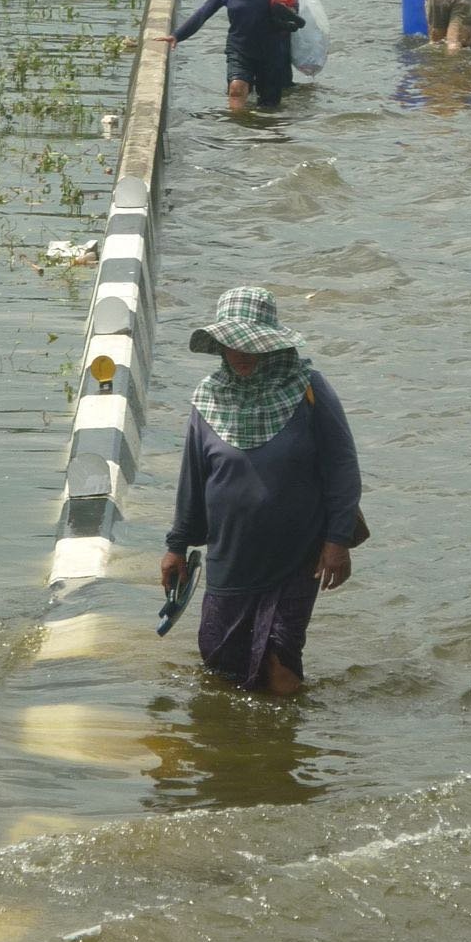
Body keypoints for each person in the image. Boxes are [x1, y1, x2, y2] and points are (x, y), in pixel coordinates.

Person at [160, 287, 363, 696]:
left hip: (297, 555)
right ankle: (237, 751)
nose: (241, 353)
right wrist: (177, 546)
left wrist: (337, 540)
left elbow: (343, 466)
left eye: (251, 344)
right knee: (219, 661)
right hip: (231, 555)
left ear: (272, 344)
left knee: (281, 660)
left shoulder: (309, 389)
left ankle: (283, 750)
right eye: (231, 343)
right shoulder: (208, 399)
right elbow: (194, 477)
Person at [159, 0, 293, 110]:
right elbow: (204, 12)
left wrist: (288, 15)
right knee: (236, 89)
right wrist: (177, 35)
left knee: (269, 105)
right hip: (239, 48)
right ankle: (236, 131)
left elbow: (291, 11)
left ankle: (263, 134)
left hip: (271, 50)